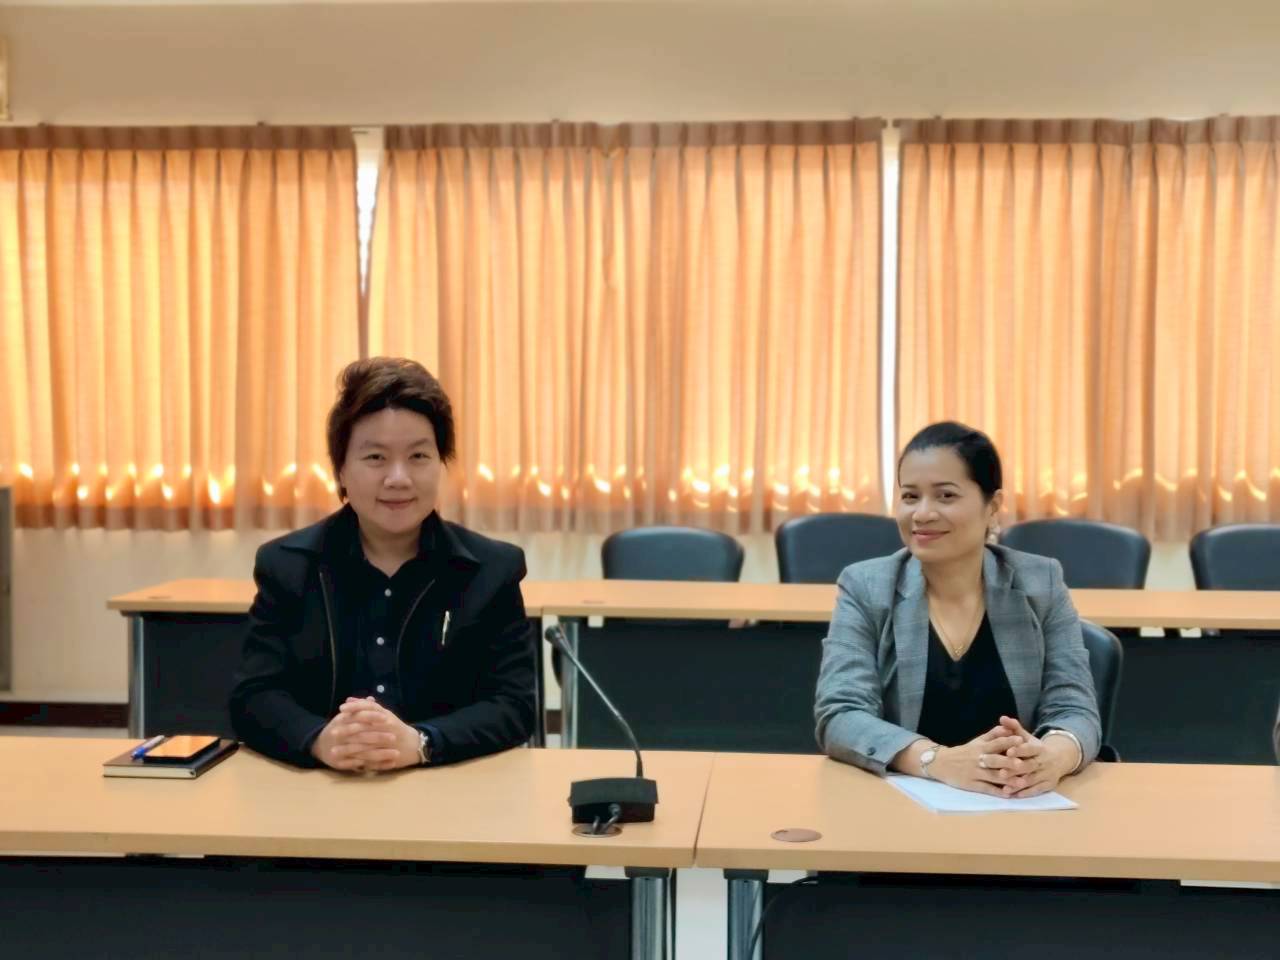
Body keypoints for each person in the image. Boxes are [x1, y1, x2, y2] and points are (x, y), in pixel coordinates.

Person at [229, 357, 536, 771]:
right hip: (320, 789)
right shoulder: (288, 566)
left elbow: (514, 705)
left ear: (441, 463)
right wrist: (319, 739)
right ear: (341, 470)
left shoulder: (491, 570)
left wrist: (423, 742)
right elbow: (253, 696)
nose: (398, 478)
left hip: (448, 787)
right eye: (375, 458)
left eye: (418, 456)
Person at [814, 421, 1101, 797]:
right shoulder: (866, 585)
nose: (922, 513)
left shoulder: (1040, 581)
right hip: (900, 803)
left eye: (945, 496)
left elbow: (1075, 707)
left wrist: (1053, 757)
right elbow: (841, 714)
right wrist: (937, 761)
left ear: (992, 506)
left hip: (1017, 802)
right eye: (910, 496)